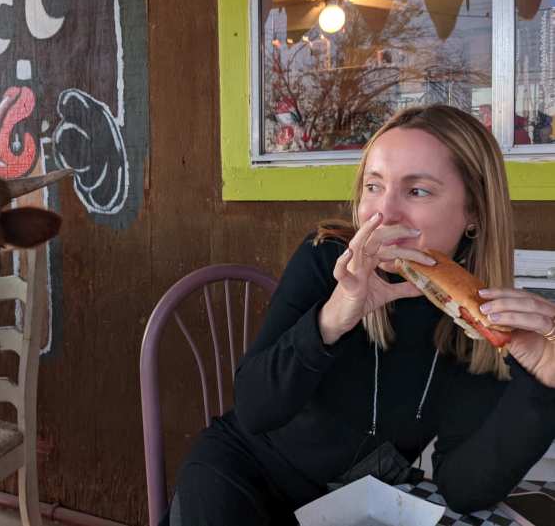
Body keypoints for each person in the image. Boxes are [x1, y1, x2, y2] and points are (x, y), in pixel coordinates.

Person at [165, 104, 555, 526]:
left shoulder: (475, 317)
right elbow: (256, 411)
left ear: (474, 212)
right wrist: (332, 318)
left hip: (361, 504)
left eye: (417, 191)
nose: (382, 213)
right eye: (374, 186)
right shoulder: (326, 257)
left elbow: (464, 487)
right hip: (243, 479)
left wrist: (545, 382)